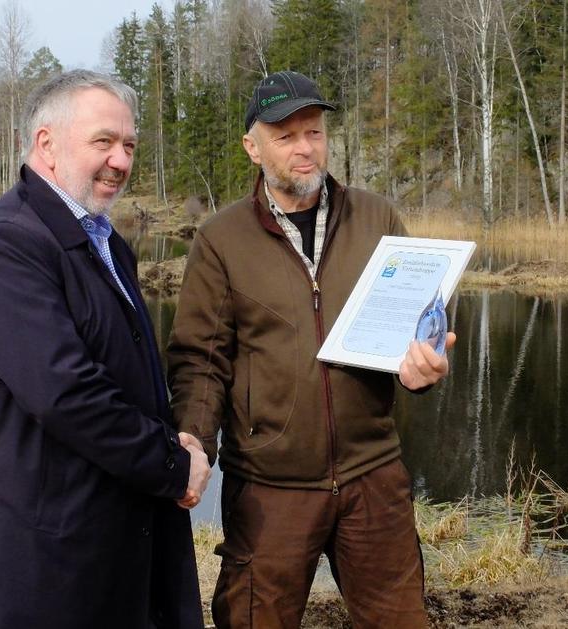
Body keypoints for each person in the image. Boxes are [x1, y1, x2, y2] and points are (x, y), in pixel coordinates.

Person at [166, 70, 455, 628]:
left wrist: (425, 363)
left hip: (374, 477)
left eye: (314, 132)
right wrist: (195, 443)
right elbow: (200, 361)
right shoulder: (221, 240)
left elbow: (423, 320)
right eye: (285, 135)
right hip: (270, 490)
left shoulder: (378, 219)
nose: (305, 148)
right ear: (253, 147)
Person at [0, 70, 210, 629]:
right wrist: (171, 465)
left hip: (106, 542)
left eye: (129, 145)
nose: (121, 161)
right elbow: (67, 393)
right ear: (46, 144)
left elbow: (124, 372)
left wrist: (170, 436)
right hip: (36, 564)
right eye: (103, 141)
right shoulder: (5, 244)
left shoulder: (103, 243)